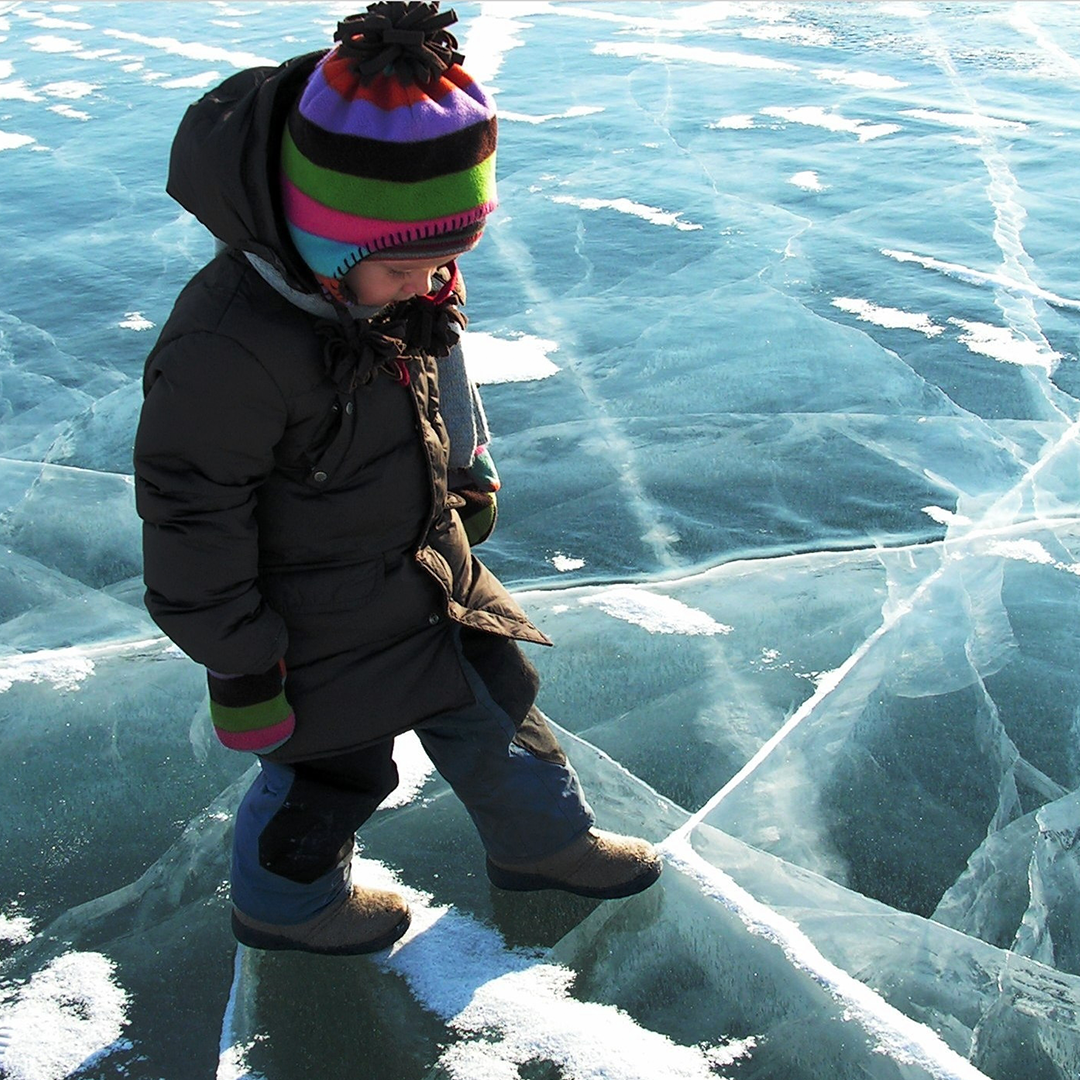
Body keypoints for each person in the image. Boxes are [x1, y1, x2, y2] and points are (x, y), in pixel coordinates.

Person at [133, 0, 660, 957]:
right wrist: (245, 662)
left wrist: (468, 473)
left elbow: (438, 379)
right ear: (327, 249)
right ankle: (285, 908)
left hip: (427, 574)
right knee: (334, 775)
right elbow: (189, 517)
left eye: (451, 258)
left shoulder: (393, 288)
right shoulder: (226, 350)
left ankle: (547, 846)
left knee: (501, 709)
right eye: (411, 267)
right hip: (313, 627)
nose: (434, 284)